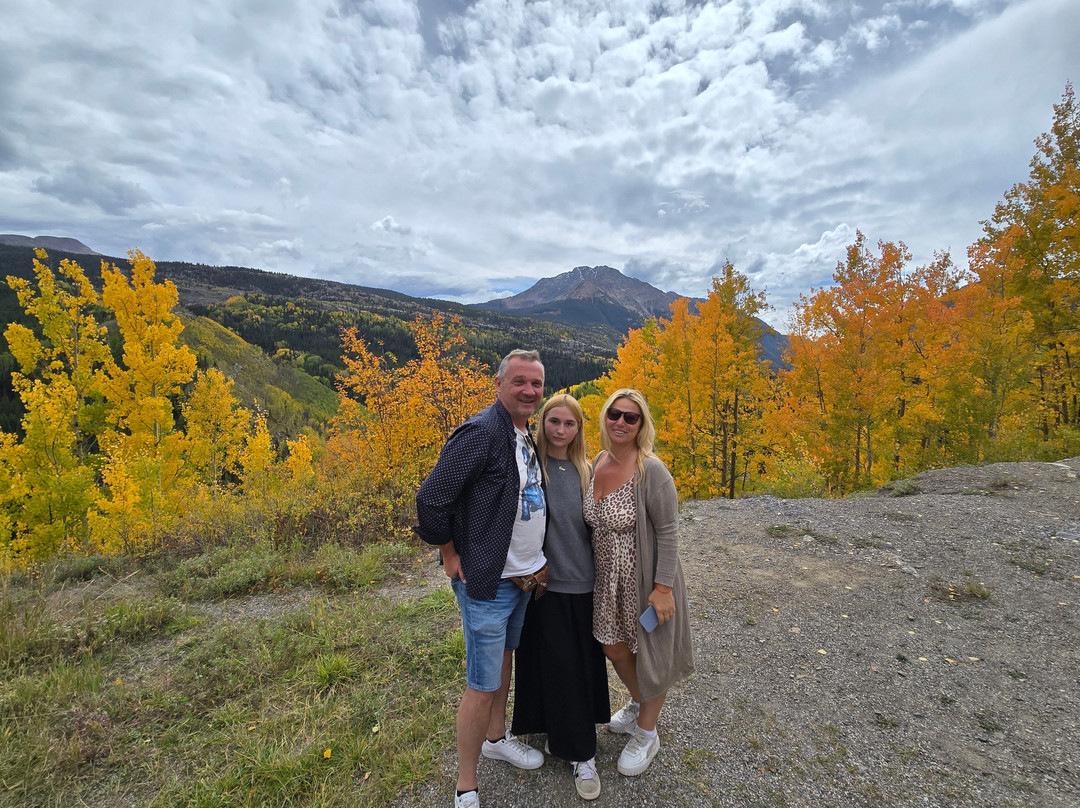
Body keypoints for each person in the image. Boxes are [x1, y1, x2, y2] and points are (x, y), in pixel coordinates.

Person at [415, 349, 549, 808]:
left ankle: (497, 739)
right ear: (499, 385)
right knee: (481, 683)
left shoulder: (522, 432)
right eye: (519, 382)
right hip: (487, 584)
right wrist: (450, 554)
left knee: (504, 661)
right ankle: (466, 786)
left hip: (521, 581)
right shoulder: (481, 433)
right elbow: (431, 500)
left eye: (535, 383)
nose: (529, 390)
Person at [585, 388, 694, 777]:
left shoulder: (652, 470)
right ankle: (640, 701)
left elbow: (668, 531)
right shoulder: (596, 461)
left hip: (644, 580)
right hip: (606, 583)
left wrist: (663, 588)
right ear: (604, 417)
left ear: (641, 424)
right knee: (615, 649)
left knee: (651, 652)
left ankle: (647, 731)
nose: (621, 422)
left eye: (631, 417)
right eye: (615, 414)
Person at [511, 394, 609, 800]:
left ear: (579, 428)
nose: (561, 430)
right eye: (554, 421)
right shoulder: (531, 470)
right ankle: (559, 732)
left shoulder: (589, 470)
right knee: (553, 665)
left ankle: (581, 751)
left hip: (585, 585)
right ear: (542, 422)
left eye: (570, 423)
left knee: (579, 667)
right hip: (544, 587)